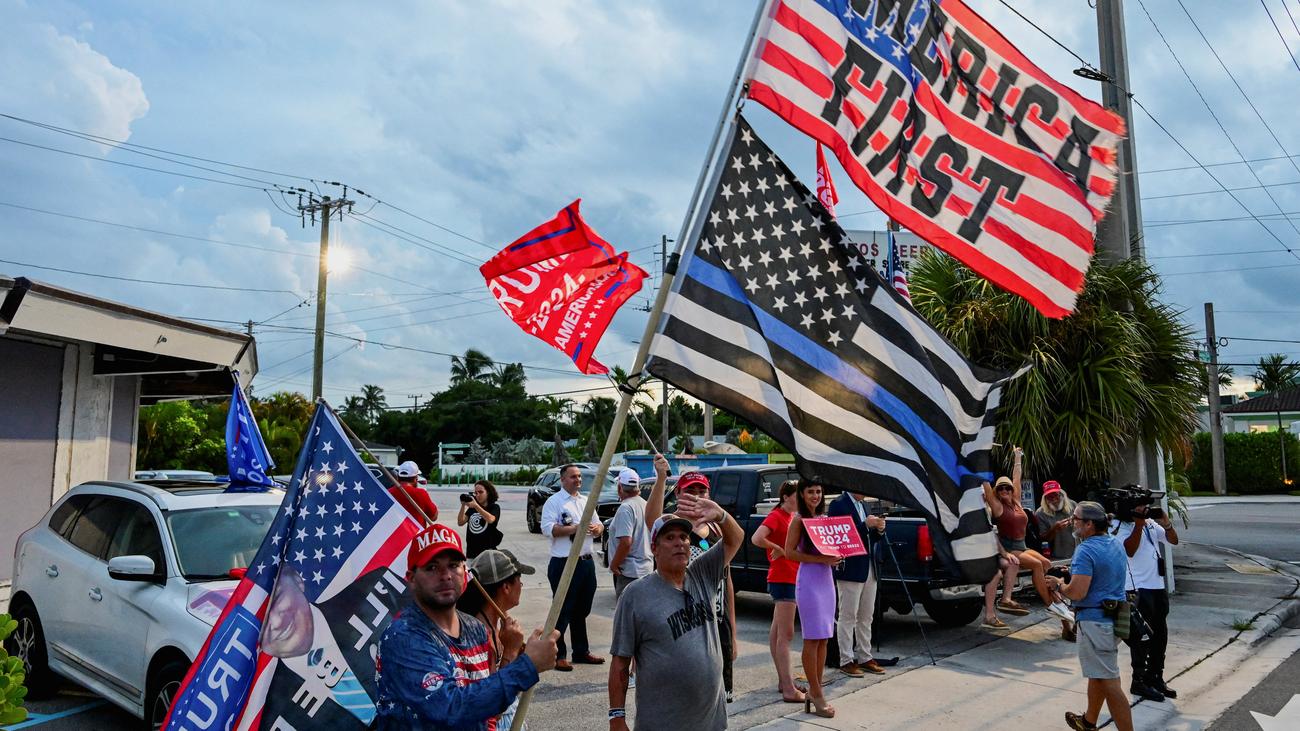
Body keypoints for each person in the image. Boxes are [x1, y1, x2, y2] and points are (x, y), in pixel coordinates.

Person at [374, 524, 558, 730]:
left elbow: (489, 708)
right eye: (432, 567)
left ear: (465, 571)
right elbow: (449, 708)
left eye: (453, 565)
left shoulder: (475, 629)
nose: (445, 575)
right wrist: (528, 665)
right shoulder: (404, 637)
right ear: (412, 579)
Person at [608, 492, 743, 731]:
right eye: (669, 538)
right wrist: (617, 717)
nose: (680, 542)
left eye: (684, 537)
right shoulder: (635, 595)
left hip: (712, 722)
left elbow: (736, 539)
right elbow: (620, 661)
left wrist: (721, 515)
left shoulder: (702, 573)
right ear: (654, 548)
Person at [645, 469, 738, 702]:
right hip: (685, 620)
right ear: (678, 493)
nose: (696, 496)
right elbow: (651, 519)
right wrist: (660, 479)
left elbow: (727, 581)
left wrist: (733, 632)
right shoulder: (672, 526)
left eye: (701, 490)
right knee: (686, 695)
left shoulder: (716, 528)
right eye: (690, 490)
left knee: (718, 696)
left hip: (717, 621)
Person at [1047, 502, 1133, 731]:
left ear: (1089, 524)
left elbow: (1077, 592)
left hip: (1095, 623)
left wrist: (1059, 584)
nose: (1072, 522)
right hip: (1113, 619)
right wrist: (1075, 573)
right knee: (1099, 674)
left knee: (1111, 682)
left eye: (1076, 518)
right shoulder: (1115, 543)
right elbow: (1103, 575)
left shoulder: (1085, 550)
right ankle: (1088, 722)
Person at [985, 447, 1075, 640]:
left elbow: (1016, 476)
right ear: (996, 492)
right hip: (1009, 547)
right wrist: (980, 458)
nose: (1005, 490)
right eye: (1000, 488)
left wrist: (1017, 457)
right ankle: (1049, 603)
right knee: (1035, 565)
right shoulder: (998, 506)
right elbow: (986, 485)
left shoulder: (1016, 502)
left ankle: (1054, 599)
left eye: (1007, 487)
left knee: (1047, 564)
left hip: (1022, 545)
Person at [1111, 496, 1180, 703]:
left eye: (1146, 505)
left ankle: (1155, 676)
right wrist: (1138, 525)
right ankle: (1138, 680)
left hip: (1157, 586)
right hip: (1137, 589)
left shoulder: (1150, 523)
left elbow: (1173, 540)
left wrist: (1165, 523)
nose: (1145, 509)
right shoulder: (1117, 526)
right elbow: (1129, 551)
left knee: (1160, 634)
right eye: (1140, 505)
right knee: (1141, 637)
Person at [458, 549, 536, 729]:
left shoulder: (498, 625)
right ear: (506, 587)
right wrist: (510, 651)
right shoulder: (479, 635)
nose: (521, 584)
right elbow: (492, 707)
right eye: (518, 579)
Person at [783, 478, 839, 718]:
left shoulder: (825, 520)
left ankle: (818, 688)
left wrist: (837, 554)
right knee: (812, 638)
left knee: (824, 638)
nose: (815, 496)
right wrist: (821, 560)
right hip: (809, 581)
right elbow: (789, 552)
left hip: (827, 581)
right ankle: (816, 694)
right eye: (811, 492)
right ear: (802, 495)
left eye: (819, 491)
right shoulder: (799, 520)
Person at [540, 463, 605, 671]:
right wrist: (576, 528)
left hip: (586, 562)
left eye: (579, 477)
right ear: (562, 480)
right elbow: (548, 528)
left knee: (582, 609)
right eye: (572, 477)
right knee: (562, 609)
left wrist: (596, 529)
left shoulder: (586, 501)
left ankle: (581, 651)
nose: (577, 480)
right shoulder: (555, 502)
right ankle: (558, 655)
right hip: (564, 562)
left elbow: (599, 526)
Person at [751, 480, 806, 704]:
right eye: (796, 496)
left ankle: (785, 681)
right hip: (783, 578)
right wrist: (777, 549)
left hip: (791, 576)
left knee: (776, 634)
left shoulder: (792, 516)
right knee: (786, 635)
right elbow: (756, 538)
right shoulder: (776, 516)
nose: (799, 500)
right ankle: (788, 688)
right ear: (786, 497)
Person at [827, 489, 887, 676]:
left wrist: (879, 529)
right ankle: (846, 659)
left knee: (866, 615)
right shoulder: (839, 504)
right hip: (851, 568)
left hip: (869, 566)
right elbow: (841, 536)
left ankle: (865, 656)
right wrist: (864, 525)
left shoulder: (864, 505)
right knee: (848, 615)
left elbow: (871, 538)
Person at [610, 464, 656, 600]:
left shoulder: (626, 508)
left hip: (630, 573)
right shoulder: (645, 504)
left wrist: (614, 564)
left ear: (620, 487)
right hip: (645, 569)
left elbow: (625, 542)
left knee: (626, 617)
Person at [458, 479, 503, 558]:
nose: (477, 495)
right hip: (471, 553)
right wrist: (463, 505)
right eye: (476, 493)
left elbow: (491, 519)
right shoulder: (472, 508)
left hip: (487, 554)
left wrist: (476, 506)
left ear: (488, 492)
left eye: (481, 492)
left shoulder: (494, 507)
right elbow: (460, 522)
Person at [1036, 480, 1078, 560]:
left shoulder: (1073, 505)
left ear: (1062, 495)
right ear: (1045, 499)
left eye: (1056, 495)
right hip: (1055, 558)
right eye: (1050, 497)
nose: (1054, 500)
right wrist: (1054, 529)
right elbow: (1043, 540)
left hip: (1076, 554)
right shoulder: (1040, 513)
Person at [390, 461, 438, 525]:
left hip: (396, 534)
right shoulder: (421, 493)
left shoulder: (388, 493)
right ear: (416, 478)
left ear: (398, 477)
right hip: (417, 534)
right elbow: (433, 517)